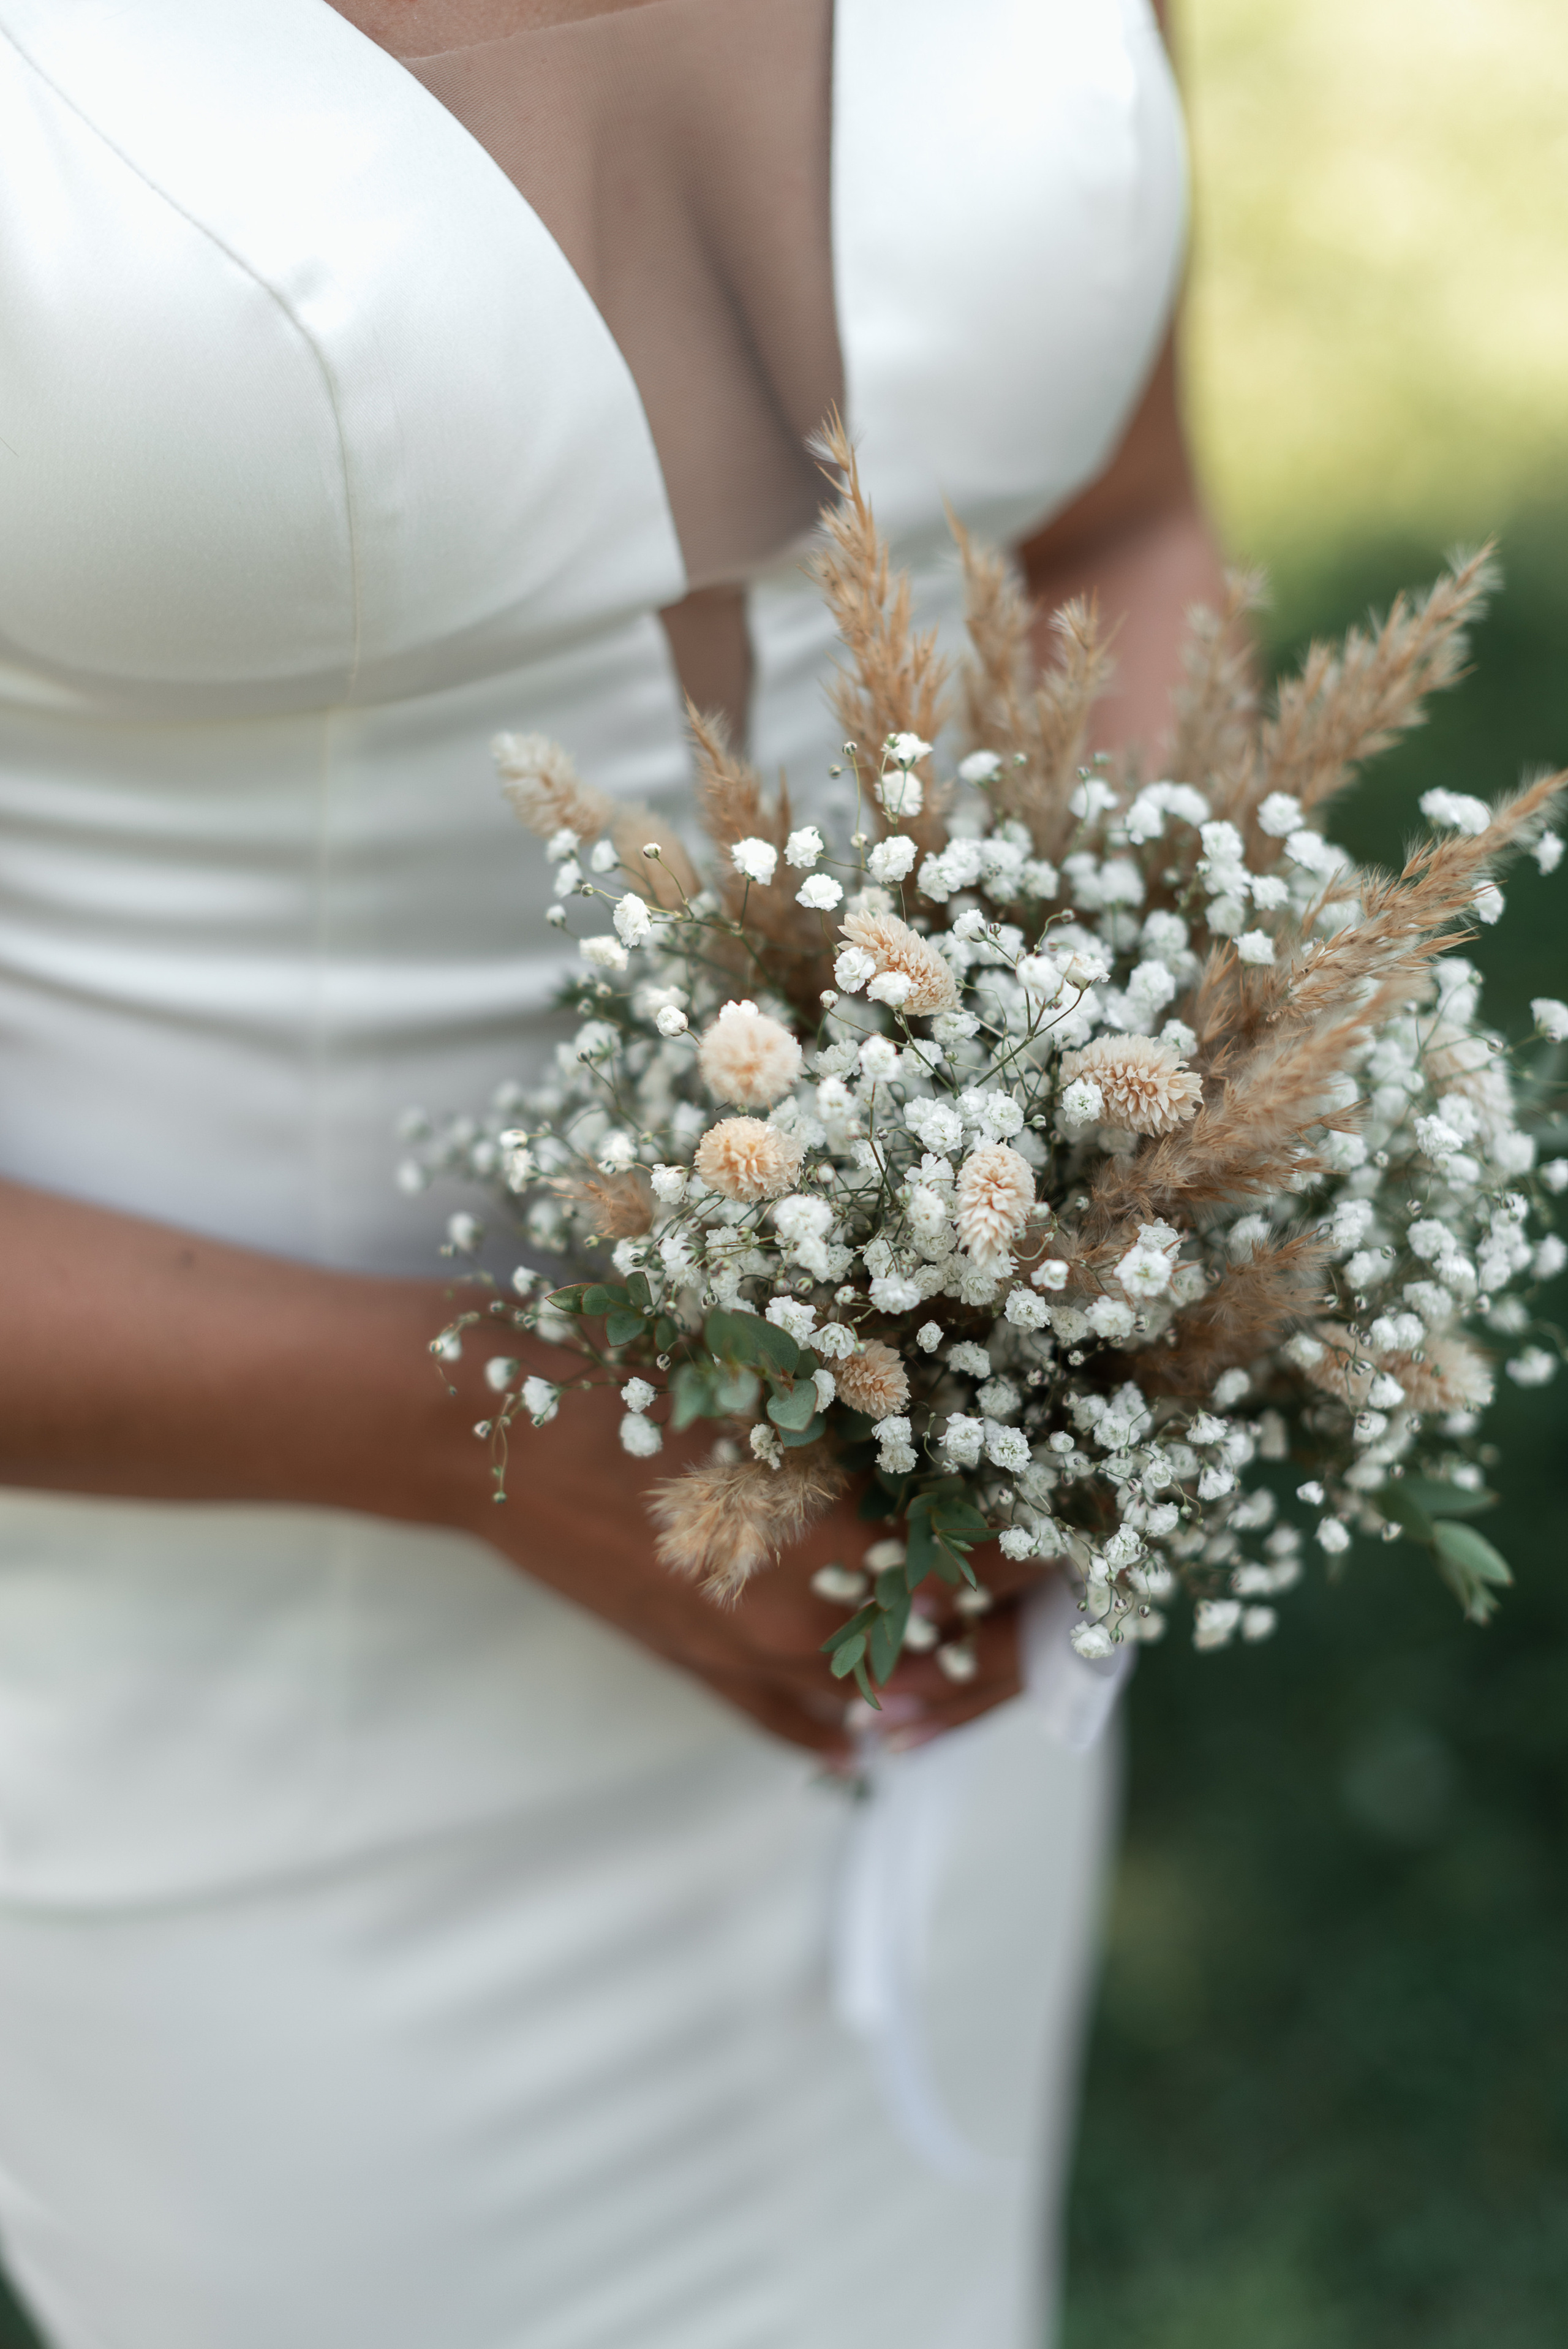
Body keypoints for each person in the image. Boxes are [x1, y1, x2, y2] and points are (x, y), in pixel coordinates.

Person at [0, 1, 1223, 2342]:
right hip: (261, 1760)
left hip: (939, 1615)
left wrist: (1100, 1142)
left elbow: (1116, 521)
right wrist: (487, 1421)